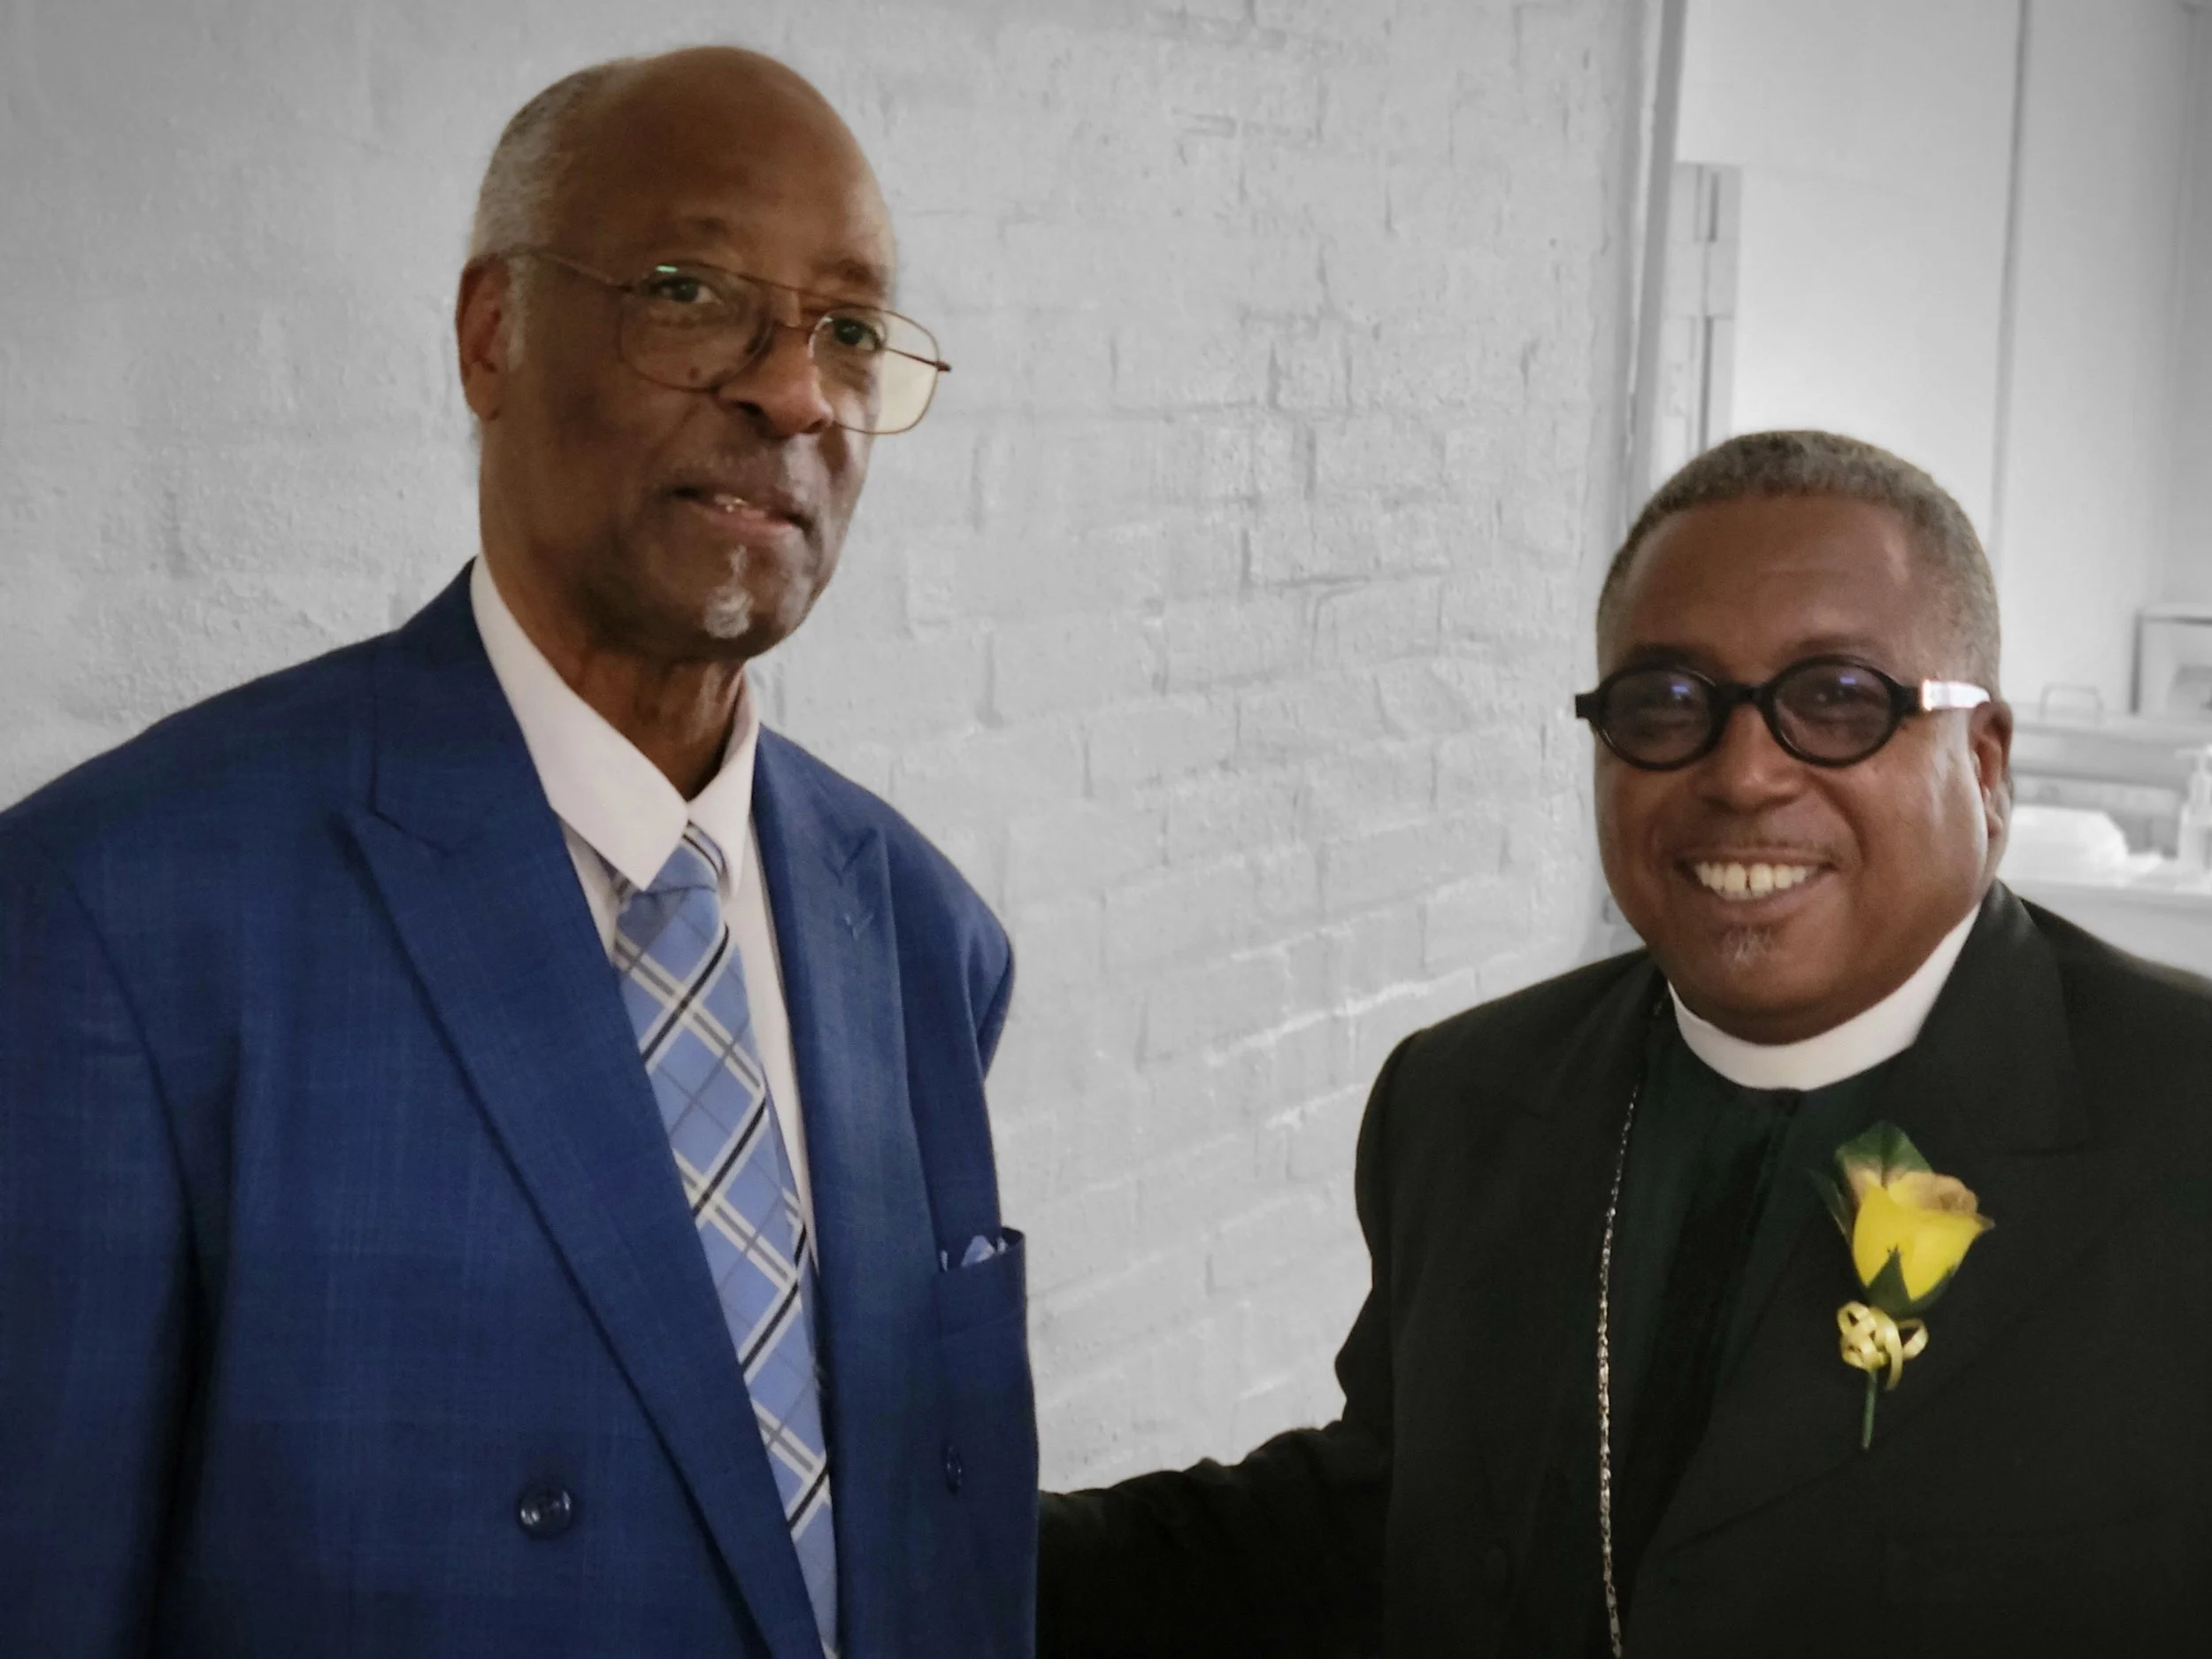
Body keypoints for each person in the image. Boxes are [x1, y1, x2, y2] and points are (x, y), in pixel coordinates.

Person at [0, 47, 1034, 1659]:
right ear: (494, 336)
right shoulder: (124, 921)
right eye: (693, 293)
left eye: (846, 327)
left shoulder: (917, 930)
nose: (797, 391)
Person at [1036, 430, 2212, 1655]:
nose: (1744, 772)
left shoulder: (2182, 1122)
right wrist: (926, 1550)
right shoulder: (1466, 1101)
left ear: (1986, 762)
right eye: (1667, 705)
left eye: (1837, 700)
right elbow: (1385, 1530)